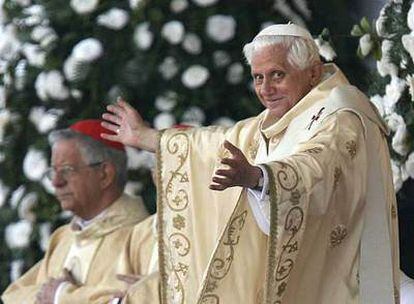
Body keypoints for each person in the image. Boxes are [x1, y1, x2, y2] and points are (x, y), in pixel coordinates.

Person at [101, 23, 400, 303]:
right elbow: (209, 144)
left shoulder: (340, 113)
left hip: (339, 277)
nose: (266, 89)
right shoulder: (271, 121)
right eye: (258, 77)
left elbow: (316, 167)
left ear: (312, 72)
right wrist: (145, 137)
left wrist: (259, 177)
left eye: (277, 75)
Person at [1, 119, 154, 304]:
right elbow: (13, 295)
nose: (56, 182)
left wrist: (63, 297)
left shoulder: (142, 238)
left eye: (66, 170)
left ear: (104, 174)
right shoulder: (64, 238)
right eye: (53, 171)